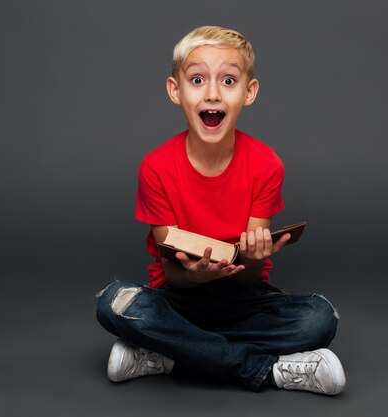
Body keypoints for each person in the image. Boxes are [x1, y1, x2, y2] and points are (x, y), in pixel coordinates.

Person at [96, 25, 345, 395]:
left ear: (249, 92)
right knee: (114, 303)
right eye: (197, 80)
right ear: (175, 90)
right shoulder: (156, 167)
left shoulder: (266, 164)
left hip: (242, 301)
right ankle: (267, 370)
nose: (212, 93)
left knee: (319, 319)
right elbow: (172, 272)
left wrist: (254, 258)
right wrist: (196, 277)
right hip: (178, 299)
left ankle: (169, 353)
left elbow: (250, 279)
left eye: (228, 81)